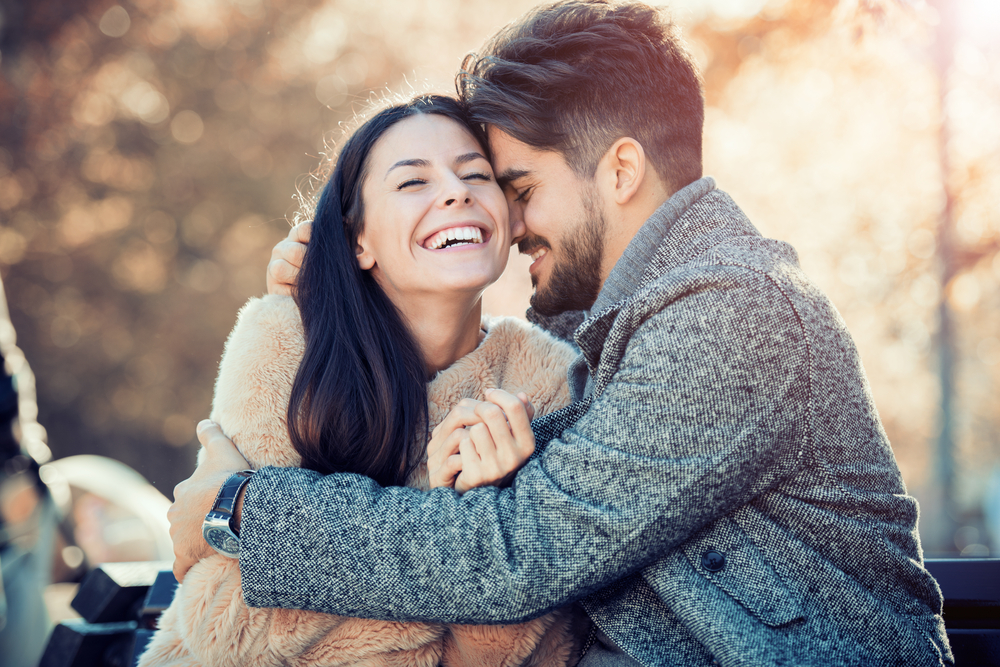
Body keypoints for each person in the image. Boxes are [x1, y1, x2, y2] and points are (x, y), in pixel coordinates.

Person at [170, 2, 953, 665]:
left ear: (618, 172)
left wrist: (246, 509)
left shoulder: (733, 314)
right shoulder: (620, 335)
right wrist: (338, 297)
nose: (507, 225)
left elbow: (516, 551)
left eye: (519, 188)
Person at [140, 95, 586, 667]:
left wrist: (482, 511)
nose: (456, 191)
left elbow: (535, 651)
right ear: (359, 241)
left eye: (476, 174)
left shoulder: (546, 381)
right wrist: (469, 550)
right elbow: (233, 629)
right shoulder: (286, 341)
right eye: (411, 183)